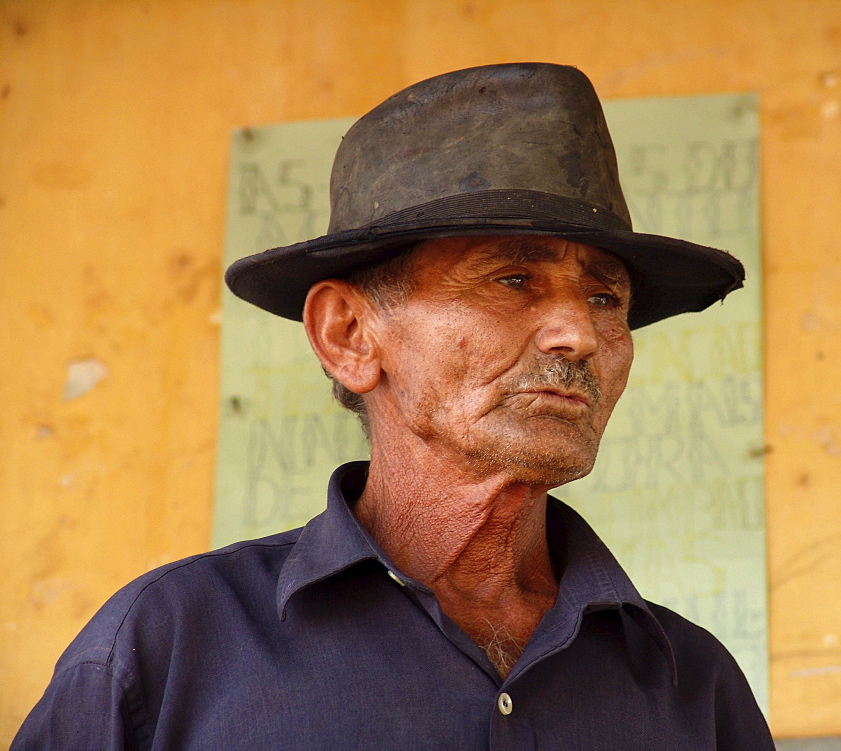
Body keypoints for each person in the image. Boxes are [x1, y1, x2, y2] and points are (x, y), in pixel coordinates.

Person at [15, 63, 774, 749]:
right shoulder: (169, 649)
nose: (579, 332)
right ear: (348, 334)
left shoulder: (693, 690)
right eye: (512, 280)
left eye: (607, 296)